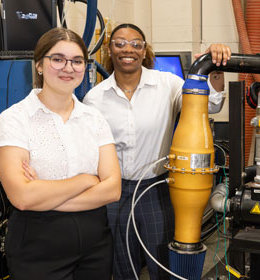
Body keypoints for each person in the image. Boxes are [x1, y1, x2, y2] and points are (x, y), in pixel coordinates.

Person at [83, 23, 231, 280]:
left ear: (144, 50)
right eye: (119, 43)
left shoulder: (168, 85)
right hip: (113, 192)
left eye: (136, 44)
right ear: (110, 49)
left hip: (156, 189)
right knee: (121, 265)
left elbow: (213, 105)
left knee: (162, 264)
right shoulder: (95, 98)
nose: (127, 49)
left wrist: (214, 68)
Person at [0, 27, 121, 280]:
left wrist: (45, 192)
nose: (68, 68)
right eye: (58, 59)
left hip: (96, 243)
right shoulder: (15, 119)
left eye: (77, 61)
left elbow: (113, 189)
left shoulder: (94, 118)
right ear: (39, 65)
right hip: (38, 245)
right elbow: (23, 198)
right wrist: (86, 180)